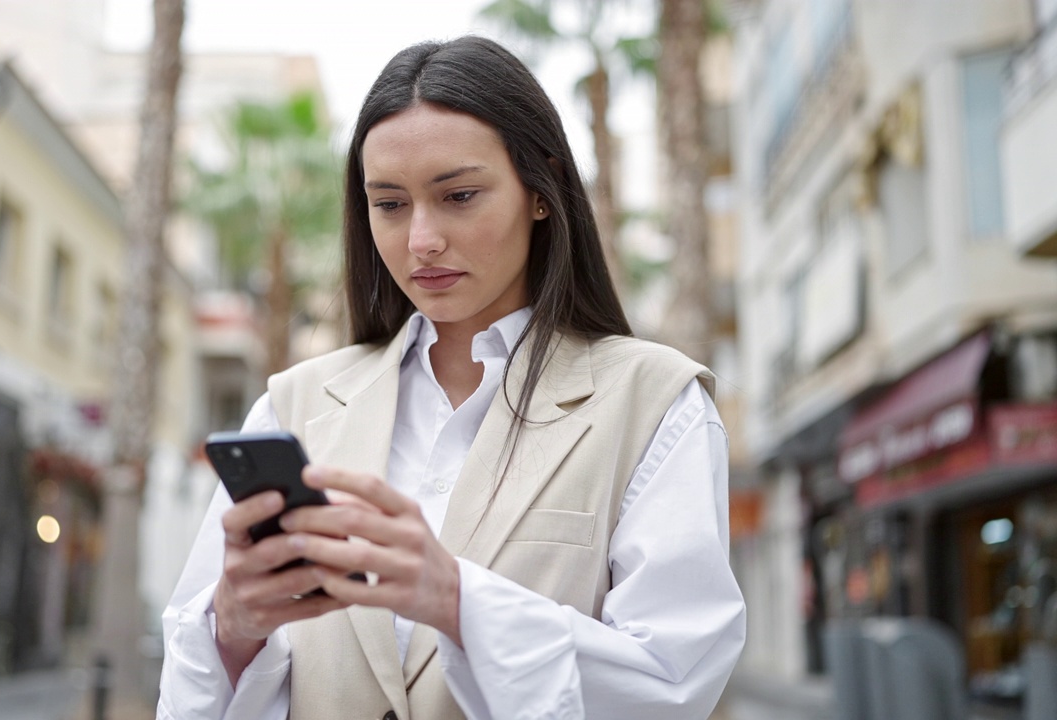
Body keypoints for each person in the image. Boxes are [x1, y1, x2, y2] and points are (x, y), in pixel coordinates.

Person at [159, 36, 745, 720]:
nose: (421, 241)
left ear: (541, 191)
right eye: (390, 204)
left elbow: (672, 684)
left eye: (459, 195)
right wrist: (233, 628)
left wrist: (457, 601)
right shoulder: (292, 408)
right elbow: (190, 693)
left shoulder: (655, 403)